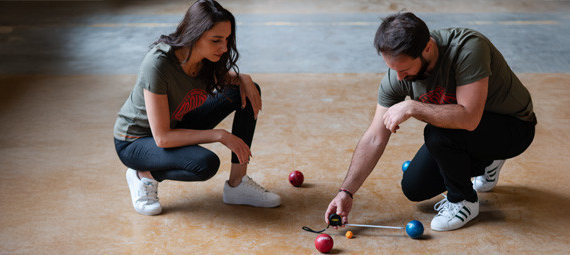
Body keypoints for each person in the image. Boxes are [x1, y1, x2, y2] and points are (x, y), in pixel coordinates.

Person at [324, 12, 536, 231]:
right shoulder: (398, 75)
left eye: (404, 69)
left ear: (427, 48)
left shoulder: (469, 48)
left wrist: (412, 107)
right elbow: (375, 137)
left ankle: (463, 201)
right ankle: (488, 161)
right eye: (393, 69)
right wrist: (345, 192)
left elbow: (469, 119)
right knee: (414, 187)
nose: (398, 78)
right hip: (470, 133)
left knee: (436, 134)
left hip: (514, 126)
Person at [114, 0, 280, 216]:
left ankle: (237, 185)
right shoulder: (158, 64)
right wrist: (220, 135)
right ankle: (144, 175)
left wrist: (244, 79)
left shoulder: (205, 59)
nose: (224, 48)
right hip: (136, 142)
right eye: (216, 40)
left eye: (227, 39)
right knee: (205, 164)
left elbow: (228, 80)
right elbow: (162, 138)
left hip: (176, 123)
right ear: (194, 34)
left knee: (245, 91)